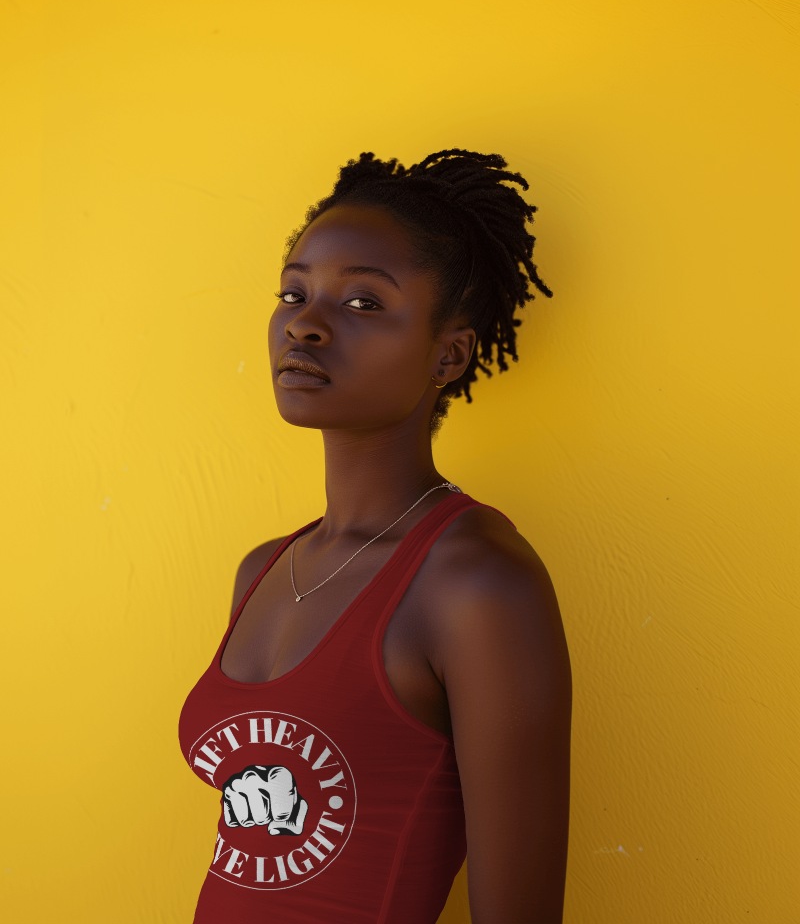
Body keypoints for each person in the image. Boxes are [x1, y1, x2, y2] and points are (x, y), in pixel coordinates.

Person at [178, 149, 572, 923]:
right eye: (294, 292)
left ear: (448, 353)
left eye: (362, 303)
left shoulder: (475, 580)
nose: (307, 324)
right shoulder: (265, 570)